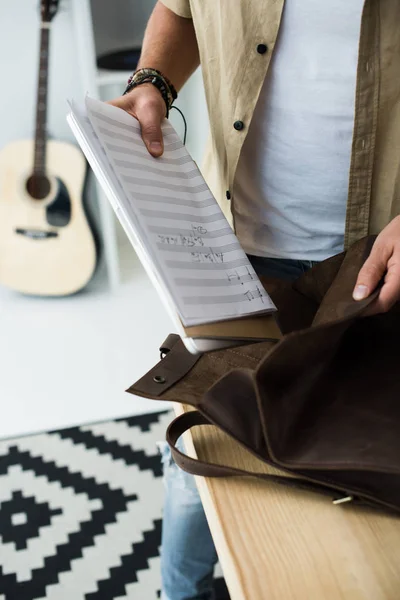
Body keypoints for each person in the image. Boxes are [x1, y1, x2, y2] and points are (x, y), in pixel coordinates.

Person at [109, 1, 400, 598]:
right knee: (207, 453)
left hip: (380, 264)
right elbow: (179, 10)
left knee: (355, 470)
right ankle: (181, 591)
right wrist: (153, 82)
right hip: (231, 247)